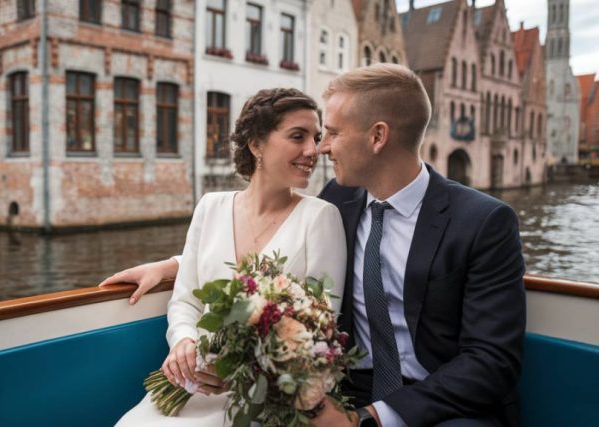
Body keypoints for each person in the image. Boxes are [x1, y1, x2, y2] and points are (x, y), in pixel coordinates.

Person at [104, 64, 526, 427]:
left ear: (378, 137)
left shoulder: (483, 221)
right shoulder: (340, 199)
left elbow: (491, 362)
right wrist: (175, 264)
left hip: (441, 405)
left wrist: (372, 418)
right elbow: (264, 249)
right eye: (306, 136)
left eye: (332, 133)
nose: (320, 149)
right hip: (343, 389)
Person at [112, 88, 347, 426]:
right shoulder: (210, 207)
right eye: (298, 136)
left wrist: (240, 372)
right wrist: (183, 342)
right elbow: (185, 301)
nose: (313, 150)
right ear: (256, 144)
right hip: (193, 382)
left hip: (263, 396)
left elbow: (322, 329)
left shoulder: (321, 217)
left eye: (316, 137)